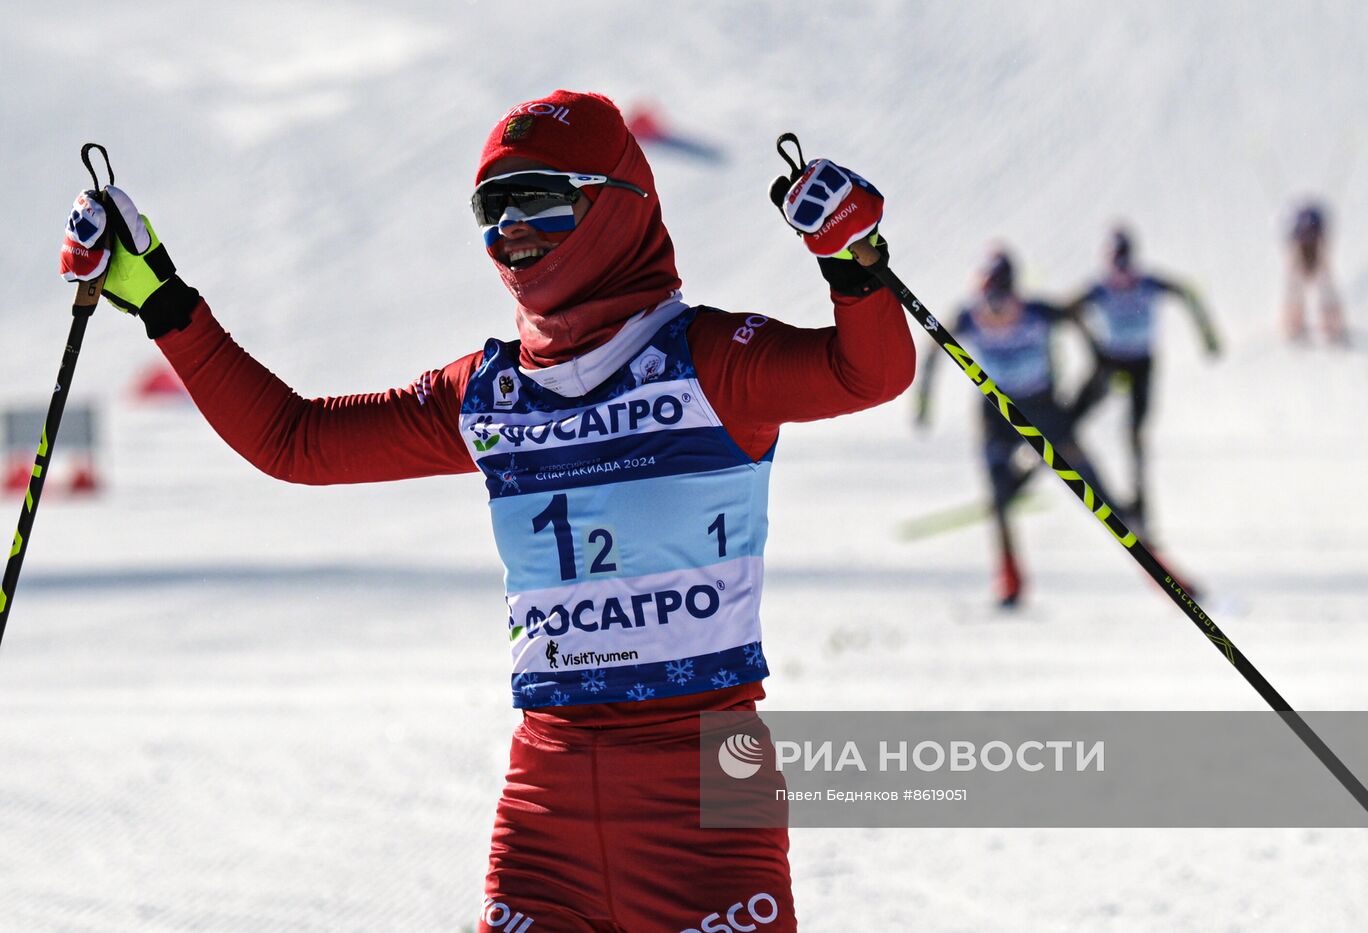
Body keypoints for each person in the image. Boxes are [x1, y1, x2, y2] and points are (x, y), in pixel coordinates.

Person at [58, 90, 913, 932]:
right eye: (491, 210)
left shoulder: (714, 363)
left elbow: (867, 372)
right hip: (547, 809)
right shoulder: (488, 394)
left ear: (620, 206)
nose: (510, 233)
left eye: (538, 203)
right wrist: (164, 302)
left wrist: (853, 265)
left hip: (704, 802)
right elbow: (296, 440)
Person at [916, 248, 1109, 608]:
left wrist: (1098, 373)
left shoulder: (1037, 311)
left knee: (1082, 471)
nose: (997, 308)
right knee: (999, 494)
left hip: (1042, 406)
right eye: (989, 298)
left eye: (1002, 298)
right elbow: (932, 352)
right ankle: (1009, 578)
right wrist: (923, 404)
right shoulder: (968, 317)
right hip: (996, 412)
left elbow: (1079, 322)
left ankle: (1139, 538)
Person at [1064, 226, 1219, 530]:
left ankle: (1140, 507)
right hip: (1108, 363)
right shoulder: (1099, 287)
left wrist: (1207, 335)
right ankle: (1027, 466)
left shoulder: (1147, 282)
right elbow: (1066, 312)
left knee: (1135, 434)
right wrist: (1090, 344)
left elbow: (1187, 293)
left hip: (1140, 364)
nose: (1121, 276)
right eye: (1115, 265)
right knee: (1067, 420)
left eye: (1124, 264)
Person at [1282, 200, 1347, 344]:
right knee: (1296, 288)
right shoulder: (1296, 253)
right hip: (1302, 254)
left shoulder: (1319, 254)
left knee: (1325, 288)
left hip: (1315, 253)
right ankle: (1294, 320)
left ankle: (1331, 321)